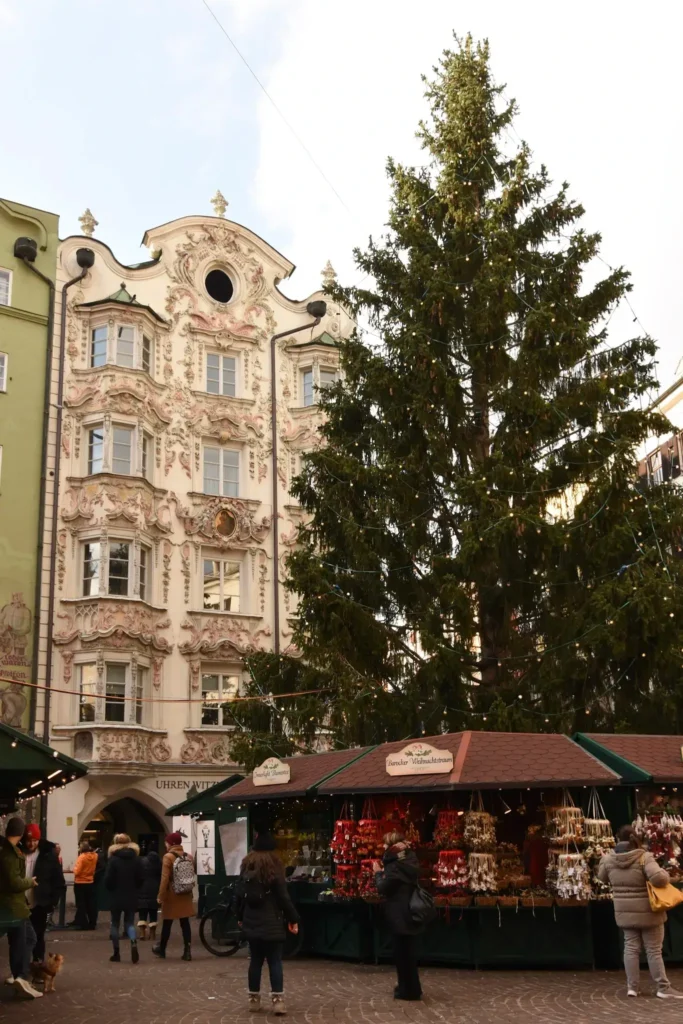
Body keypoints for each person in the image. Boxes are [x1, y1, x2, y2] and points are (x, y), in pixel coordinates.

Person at [598, 824, 683, 999]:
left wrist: (602, 859)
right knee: (653, 950)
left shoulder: (609, 860)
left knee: (630, 948)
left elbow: (601, 877)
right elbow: (660, 879)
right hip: (648, 911)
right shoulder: (644, 857)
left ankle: (632, 987)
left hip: (624, 912)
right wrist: (664, 873)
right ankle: (663, 987)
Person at [237, 831, 300, 1016]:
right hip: (272, 920)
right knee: (274, 961)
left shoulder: (246, 865)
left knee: (255, 960)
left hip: (251, 919)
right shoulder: (274, 866)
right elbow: (283, 897)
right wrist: (293, 918)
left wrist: (239, 917)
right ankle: (278, 1001)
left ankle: (254, 1000)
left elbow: (240, 895)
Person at [375, 830, 422, 1002]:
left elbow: (384, 888)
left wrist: (378, 873)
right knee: (408, 952)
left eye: (386, 844)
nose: (383, 847)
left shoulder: (395, 865)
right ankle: (411, 987)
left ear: (393, 846)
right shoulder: (409, 859)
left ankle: (407, 990)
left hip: (398, 912)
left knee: (402, 954)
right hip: (409, 910)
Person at [0, 817, 42, 999]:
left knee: (21, 940)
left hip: (12, 906)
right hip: (14, 906)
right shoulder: (9, 853)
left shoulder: (6, 850)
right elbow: (14, 881)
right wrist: (29, 882)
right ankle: (21, 976)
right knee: (26, 939)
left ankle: (20, 976)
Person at [20, 823, 65, 964]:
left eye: (34, 840)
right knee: (20, 937)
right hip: (20, 903)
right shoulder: (18, 853)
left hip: (41, 903)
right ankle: (22, 968)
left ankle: (38, 964)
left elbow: (58, 881)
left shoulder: (48, 855)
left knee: (38, 936)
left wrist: (52, 902)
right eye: (28, 840)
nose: (31, 843)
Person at [153, 832, 194, 961]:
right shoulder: (189, 856)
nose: (165, 844)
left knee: (167, 923)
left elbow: (165, 878)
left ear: (170, 843)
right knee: (185, 923)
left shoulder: (168, 857)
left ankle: (162, 950)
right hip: (186, 893)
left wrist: (160, 895)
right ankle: (187, 951)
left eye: (167, 842)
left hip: (172, 894)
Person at [104, 833, 144, 963]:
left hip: (116, 895)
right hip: (131, 894)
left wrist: (110, 888)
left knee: (115, 923)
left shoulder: (113, 860)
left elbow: (108, 879)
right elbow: (140, 878)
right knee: (129, 923)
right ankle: (133, 942)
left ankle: (116, 953)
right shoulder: (136, 859)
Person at [71, 840, 98, 930]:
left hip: (80, 883)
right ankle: (92, 922)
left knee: (81, 904)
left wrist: (74, 869)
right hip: (90, 882)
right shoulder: (95, 856)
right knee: (91, 904)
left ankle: (83, 924)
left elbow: (77, 871)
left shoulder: (81, 857)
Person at [137, 848, 162, 941]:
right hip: (155, 889)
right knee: (153, 912)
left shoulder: (142, 862)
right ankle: (152, 934)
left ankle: (142, 932)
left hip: (142, 889)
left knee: (142, 912)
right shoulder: (159, 863)